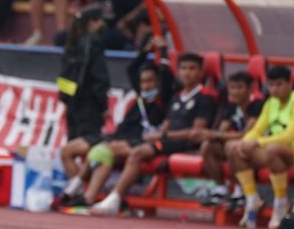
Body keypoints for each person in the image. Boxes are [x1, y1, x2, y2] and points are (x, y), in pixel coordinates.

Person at [91, 52, 218, 216]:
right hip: (166, 141)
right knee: (114, 148)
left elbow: (196, 133)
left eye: (192, 69)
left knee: (138, 152)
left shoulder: (205, 98)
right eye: (183, 68)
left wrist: (165, 135)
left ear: (201, 72)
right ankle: (95, 194)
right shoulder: (177, 97)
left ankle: (115, 198)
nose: (187, 73)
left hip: (183, 143)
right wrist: (159, 132)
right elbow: (167, 123)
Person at [58, 57, 170, 210]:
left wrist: (163, 53)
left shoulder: (163, 100)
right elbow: (132, 68)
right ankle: (79, 192)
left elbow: (166, 76)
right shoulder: (140, 98)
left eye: (150, 81)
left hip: (136, 141)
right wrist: (145, 50)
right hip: (116, 136)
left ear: (159, 82)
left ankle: (85, 195)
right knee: (68, 150)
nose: (145, 86)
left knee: (101, 151)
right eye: (143, 82)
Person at [227, 66, 294, 229]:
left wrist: (257, 143)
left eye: (279, 85)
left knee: (273, 149)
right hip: (278, 154)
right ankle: (252, 199)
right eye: (271, 85)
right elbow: (258, 130)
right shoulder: (271, 102)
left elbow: (288, 137)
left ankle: (281, 203)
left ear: (289, 84)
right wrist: (244, 142)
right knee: (233, 148)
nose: (274, 89)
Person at [196, 71, 261, 205]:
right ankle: (221, 187)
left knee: (231, 146)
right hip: (236, 146)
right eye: (232, 88)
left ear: (249, 89)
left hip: (255, 147)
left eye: (239, 88)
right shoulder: (231, 105)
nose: (235, 92)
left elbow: (246, 134)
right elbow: (222, 130)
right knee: (208, 146)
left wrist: (216, 135)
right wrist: (211, 136)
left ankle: (241, 190)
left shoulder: (257, 105)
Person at [57, 3, 109, 155]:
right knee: (89, 146)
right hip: (89, 106)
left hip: (73, 105)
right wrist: (104, 105)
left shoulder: (71, 43)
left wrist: (66, 99)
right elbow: (100, 77)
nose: (103, 25)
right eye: (100, 21)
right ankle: (84, 178)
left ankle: (74, 177)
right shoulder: (94, 43)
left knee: (73, 146)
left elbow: (63, 78)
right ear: (91, 22)